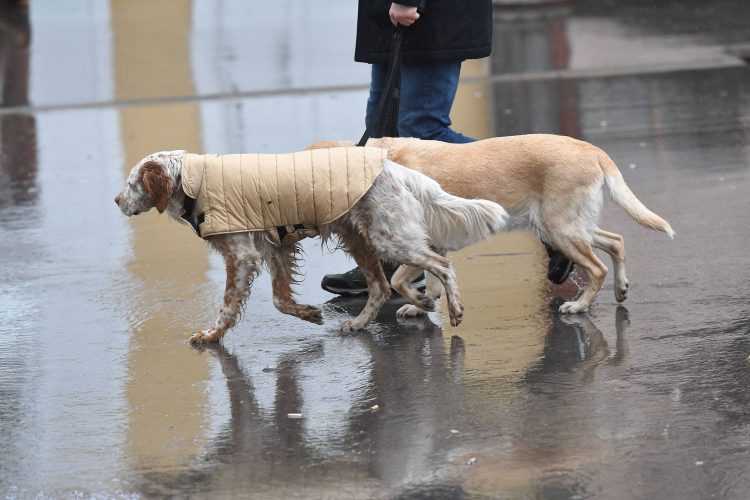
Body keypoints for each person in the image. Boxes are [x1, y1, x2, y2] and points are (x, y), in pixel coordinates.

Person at [321, 0, 573, 295]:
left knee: (423, 130)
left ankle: (543, 195)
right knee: (383, 139)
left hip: (425, 14)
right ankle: (396, 257)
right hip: (393, 16)